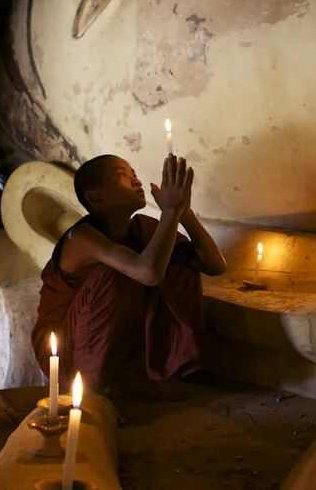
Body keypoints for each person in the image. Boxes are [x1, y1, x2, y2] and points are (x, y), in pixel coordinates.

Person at [31, 153, 227, 398]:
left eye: (134, 174)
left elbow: (214, 266)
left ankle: (149, 374)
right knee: (114, 275)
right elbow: (148, 274)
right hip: (64, 353)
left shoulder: (142, 229)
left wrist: (183, 214)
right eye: (122, 176)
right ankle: (91, 392)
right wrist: (170, 212)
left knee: (180, 265)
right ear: (95, 197)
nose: (136, 181)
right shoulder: (82, 238)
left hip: (105, 341)